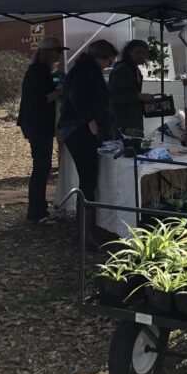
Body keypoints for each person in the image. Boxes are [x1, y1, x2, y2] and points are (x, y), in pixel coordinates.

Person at [58, 39, 117, 250]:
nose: (107, 63)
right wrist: (89, 119)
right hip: (78, 129)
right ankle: (87, 234)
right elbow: (77, 96)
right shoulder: (87, 69)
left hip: (75, 128)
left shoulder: (83, 67)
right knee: (88, 179)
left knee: (88, 179)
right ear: (101, 56)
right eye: (108, 59)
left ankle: (86, 231)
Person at [17, 36, 68, 224]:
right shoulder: (37, 72)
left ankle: (39, 206)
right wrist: (59, 92)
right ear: (47, 53)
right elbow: (40, 99)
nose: (60, 54)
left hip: (37, 124)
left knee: (42, 167)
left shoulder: (42, 70)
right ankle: (36, 212)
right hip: (37, 125)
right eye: (57, 51)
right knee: (41, 167)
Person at [109, 39, 157, 138]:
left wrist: (142, 98)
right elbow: (114, 95)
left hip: (132, 120)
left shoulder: (134, 68)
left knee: (135, 147)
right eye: (137, 52)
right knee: (130, 147)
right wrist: (138, 96)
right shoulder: (122, 68)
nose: (141, 56)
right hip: (123, 121)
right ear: (129, 52)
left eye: (144, 53)